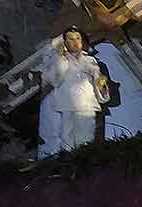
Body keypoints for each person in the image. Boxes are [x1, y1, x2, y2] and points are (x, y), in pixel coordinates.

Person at [39, 26, 109, 155]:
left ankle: (84, 162)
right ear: (65, 42)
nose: (75, 42)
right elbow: (53, 79)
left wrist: (102, 86)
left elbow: (99, 79)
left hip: (87, 104)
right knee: (66, 138)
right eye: (70, 39)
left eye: (78, 38)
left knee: (86, 137)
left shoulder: (90, 60)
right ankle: (67, 164)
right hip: (66, 104)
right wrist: (60, 58)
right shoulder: (58, 60)